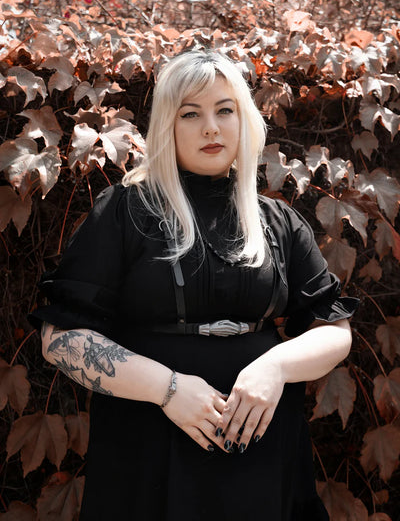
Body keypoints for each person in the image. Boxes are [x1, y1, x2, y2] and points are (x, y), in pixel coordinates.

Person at [30, 50, 358, 521]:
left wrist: (276, 368)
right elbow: (61, 340)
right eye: (191, 114)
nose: (211, 128)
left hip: (264, 455)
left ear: (244, 121)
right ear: (168, 124)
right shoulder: (125, 211)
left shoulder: (278, 221)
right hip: (147, 451)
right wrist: (168, 390)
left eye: (225, 110)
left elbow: (334, 331)